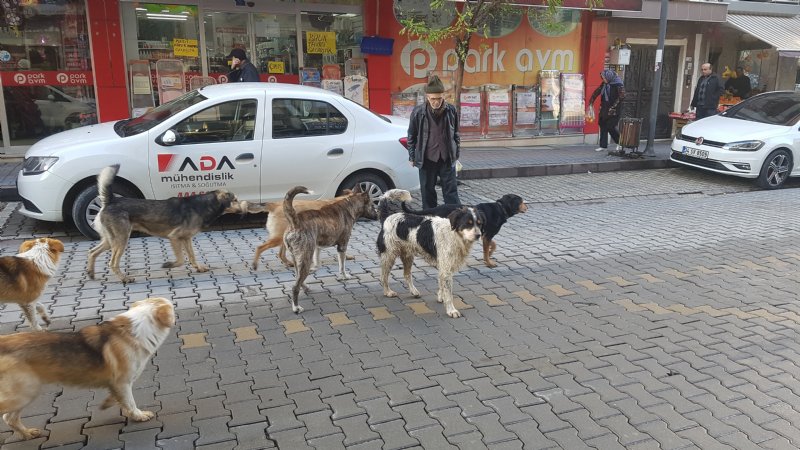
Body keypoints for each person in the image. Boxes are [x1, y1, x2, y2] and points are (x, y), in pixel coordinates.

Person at [407, 75, 461, 209]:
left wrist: (456, 154)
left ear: (443, 96)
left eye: (439, 98)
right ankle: (430, 220)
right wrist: (412, 156)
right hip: (427, 158)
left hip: (446, 157)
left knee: (451, 193)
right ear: (427, 97)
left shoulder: (451, 110)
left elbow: (456, 134)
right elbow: (411, 136)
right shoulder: (418, 112)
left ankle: (455, 220)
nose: (436, 102)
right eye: (433, 99)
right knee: (427, 192)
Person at [588, 69, 625, 152]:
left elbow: (621, 97)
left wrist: (613, 107)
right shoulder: (605, 83)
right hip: (604, 107)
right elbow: (597, 91)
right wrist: (591, 102)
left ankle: (620, 142)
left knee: (610, 126)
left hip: (615, 109)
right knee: (603, 125)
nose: (603, 79)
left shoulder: (618, 84)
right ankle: (603, 146)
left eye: (604, 78)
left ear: (609, 77)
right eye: (603, 78)